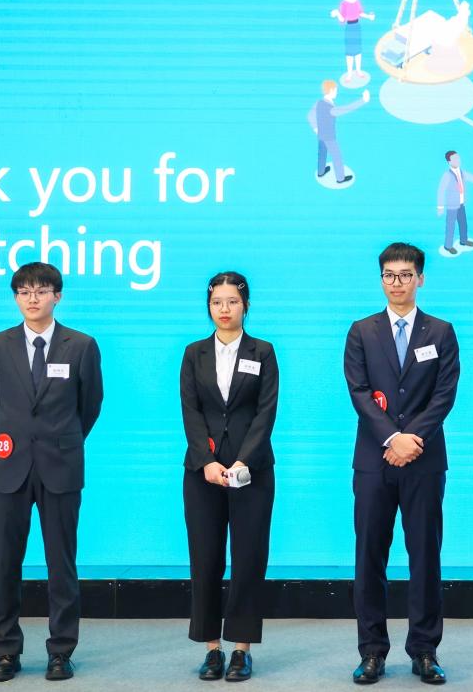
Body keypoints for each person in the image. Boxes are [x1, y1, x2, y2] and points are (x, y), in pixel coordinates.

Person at [0, 262, 104, 683]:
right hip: (8, 466)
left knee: (61, 563)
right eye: (24, 292)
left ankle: (61, 651)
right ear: (16, 298)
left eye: (41, 290)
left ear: (57, 296)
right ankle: (5, 651)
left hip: (60, 465)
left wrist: (60, 439)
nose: (32, 299)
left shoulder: (81, 346)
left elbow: (90, 406)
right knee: (4, 563)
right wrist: (17, 439)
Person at [344, 242, 460, 685]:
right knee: (369, 557)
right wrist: (392, 438)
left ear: (420, 279)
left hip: (424, 460)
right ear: (381, 280)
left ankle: (424, 651)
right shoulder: (362, 331)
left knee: (425, 556)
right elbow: (359, 392)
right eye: (389, 275)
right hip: (374, 461)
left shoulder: (441, 332)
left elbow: (444, 393)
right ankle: (372, 651)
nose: (397, 282)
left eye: (406, 275)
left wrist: (413, 439)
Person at [180, 271, 279, 683]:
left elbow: (265, 412)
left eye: (232, 302)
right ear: (209, 306)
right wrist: (206, 460)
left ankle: (241, 649)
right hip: (202, 473)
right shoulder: (194, 353)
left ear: (246, 306)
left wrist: (243, 461)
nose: (224, 309)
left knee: (248, 559)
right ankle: (211, 649)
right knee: (205, 560)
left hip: (251, 472)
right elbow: (191, 411)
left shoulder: (263, 351)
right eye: (217, 302)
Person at [308, 81, 371, 184]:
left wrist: (316, 129)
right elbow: (345, 109)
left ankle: (321, 172)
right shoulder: (330, 108)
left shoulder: (318, 103)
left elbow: (310, 116)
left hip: (320, 135)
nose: (337, 92)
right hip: (329, 136)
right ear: (331, 90)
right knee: (336, 156)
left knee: (322, 153)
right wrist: (363, 100)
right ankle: (340, 178)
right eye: (336, 90)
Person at [330, 0, 376, 82]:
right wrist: (337, 13)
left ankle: (358, 70)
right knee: (349, 53)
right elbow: (342, 20)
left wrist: (369, 17)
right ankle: (350, 73)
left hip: (357, 27)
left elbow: (360, 13)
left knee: (358, 51)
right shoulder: (344, 3)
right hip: (349, 29)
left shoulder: (357, 1)